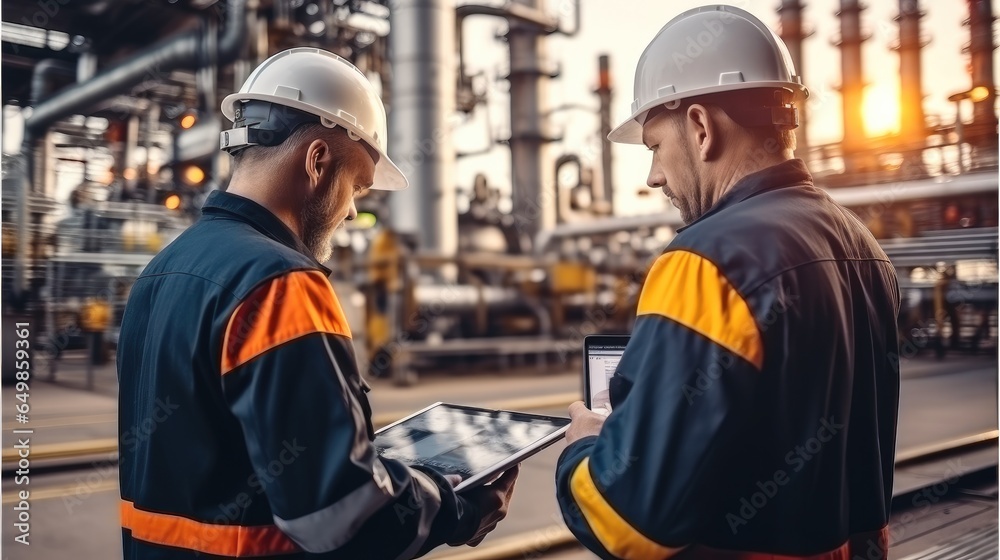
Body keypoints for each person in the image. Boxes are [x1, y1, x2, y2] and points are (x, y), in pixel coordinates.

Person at [117, 47, 517, 559]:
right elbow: (339, 513)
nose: (352, 211)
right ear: (317, 160)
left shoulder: (161, 271)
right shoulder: (280, 283)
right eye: (358, 187)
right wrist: (457, 508)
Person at [555, 6, 899, 559]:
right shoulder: (864, 250)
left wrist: (586, 449)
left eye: (653, 148)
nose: (654, 177)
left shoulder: (706, 261)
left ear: (699, 126)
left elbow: (629, 520)